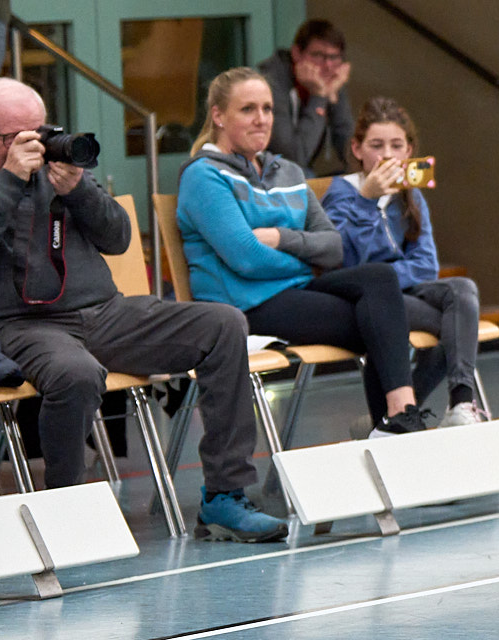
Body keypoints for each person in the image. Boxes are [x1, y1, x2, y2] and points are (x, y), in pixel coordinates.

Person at [0, 78, 285, 541]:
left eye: (39, 132)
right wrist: (9, 183)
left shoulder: (58, 164)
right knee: (76, 373)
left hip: (103, 313)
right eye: (15, 138)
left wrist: (79, 190)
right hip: (17, 325)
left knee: (223, 324)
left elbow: (118, 238)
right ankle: (63, 513)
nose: (31, 146)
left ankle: (225, 497)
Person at [176, 67, 427, 436]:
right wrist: (306, 259)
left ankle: (399, 416)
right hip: (245, 305)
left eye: (268, 109)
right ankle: (396, 424)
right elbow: (246, 258)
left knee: (379, 278)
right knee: (377, 321)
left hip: (295, 291)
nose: (262, 119)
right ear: (218, 116)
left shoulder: (288, 172)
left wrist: (282, 238)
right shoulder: (203, 175)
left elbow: (333, 247)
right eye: (248, 109)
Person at [322, 97, 488, 426]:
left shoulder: (411, 194)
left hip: (407, 291)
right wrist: (367, 201)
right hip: (364, 300)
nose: (387, 155)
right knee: (456, 325)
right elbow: (344, 261)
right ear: (357, 149)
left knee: (462, 290)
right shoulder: (341, 194)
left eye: (396, 145)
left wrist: (386, 278)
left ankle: (460, 403)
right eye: (376, 145)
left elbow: (426, 265)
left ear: (409, 151)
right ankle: (391, 417)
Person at [258, 19, 355, 175]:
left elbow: (351, 151)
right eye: (318, 55)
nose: (328, 65)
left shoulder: (330, 78)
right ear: (296, 54)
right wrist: (319, 97)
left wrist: (331, 97)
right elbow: (293, 158)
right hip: (268, 171)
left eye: (334, 57)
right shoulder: (272, 82)